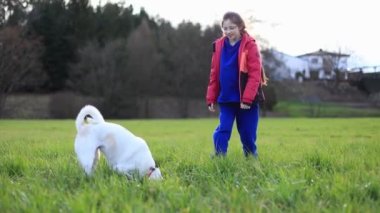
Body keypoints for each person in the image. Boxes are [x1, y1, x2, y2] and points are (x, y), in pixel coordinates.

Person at [206, 11, 267, 158]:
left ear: (240, 27)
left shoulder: (250, 45)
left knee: (247, 134)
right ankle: (219, 158)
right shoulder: (218, 46)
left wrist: (247, 99)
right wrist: (211, 98)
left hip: (247, 101)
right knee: (223, 130)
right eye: (225, 28)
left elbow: (254, 75)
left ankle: (252, 160)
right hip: (226, 98)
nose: (228, 31)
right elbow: (214, 74)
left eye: (231, 28)